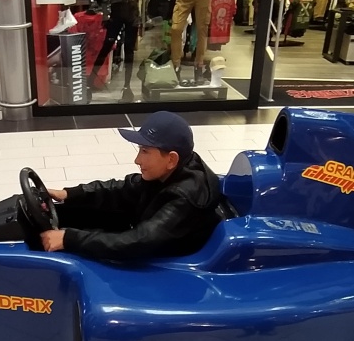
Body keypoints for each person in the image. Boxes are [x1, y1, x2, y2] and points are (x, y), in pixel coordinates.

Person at [40, 111, 230, 260]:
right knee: (81, 212)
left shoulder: (184, 197)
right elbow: (123, 188)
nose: (137, 160)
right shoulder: (172, 170)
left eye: (145, 151)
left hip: (166, 260)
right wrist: (68, 194)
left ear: (171, 159)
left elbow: (139, 241)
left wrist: (68, 239)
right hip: (153, 233)